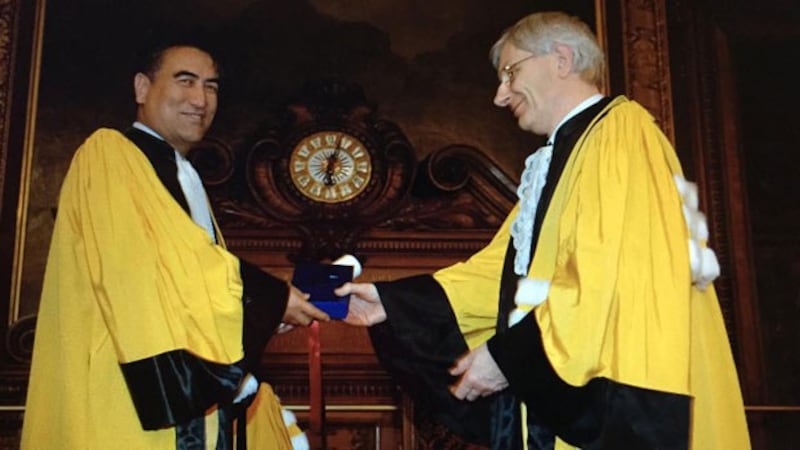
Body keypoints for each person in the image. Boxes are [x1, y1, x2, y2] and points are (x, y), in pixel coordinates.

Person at [337, 11, 751, 450]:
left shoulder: (621, 134)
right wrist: (392, 303)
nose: (500, 95)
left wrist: (509, 358)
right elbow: (504, 276)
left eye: (510, 73)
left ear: (562, 58)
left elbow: (602, 272)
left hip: (617, 404)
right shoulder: (565, 155)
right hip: (561, 397)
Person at [20, 31, 329, 449]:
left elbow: (190, 290)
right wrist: (272, 298)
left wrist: (267, 310)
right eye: (185, 80)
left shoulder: (185, 176)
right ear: (142, 87)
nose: (200, 100)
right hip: (126, 400)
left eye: (211, 86)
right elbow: (158, 271)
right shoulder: (109, 155)